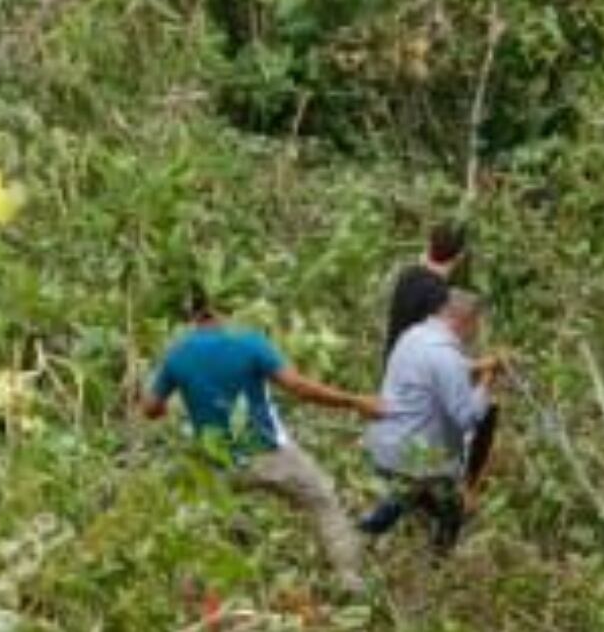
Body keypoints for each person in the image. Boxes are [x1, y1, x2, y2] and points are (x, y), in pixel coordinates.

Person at [141, 286, 382, 596]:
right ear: (220, 308)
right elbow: (298, 387)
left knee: (205, 522)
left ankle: (199, 592)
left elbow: (150, 408)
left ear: (190, 316)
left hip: (219, 463)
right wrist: (354, 401)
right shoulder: (249, 342)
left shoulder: (177, 354)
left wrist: (164, 404)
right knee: (323, 500)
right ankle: (350, 582)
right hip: (269, 453)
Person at [360, 290, 505, 552]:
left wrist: (476, 365)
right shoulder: (446, 356)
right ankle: (439, 563)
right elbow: (467, 417)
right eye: (477, 324)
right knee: (453, 509)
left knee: (403, 497)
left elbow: (439, 371)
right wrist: (485, 382)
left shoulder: (413, 336)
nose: (476, 332)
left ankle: (361, 535)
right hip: (415, 460)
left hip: (385, 447)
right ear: (466, 321)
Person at [384, 222, 468, 363]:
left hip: (393, 363)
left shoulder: (407, 277)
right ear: (460, 257)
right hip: (417, 368)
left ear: (429, 246)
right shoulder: (440, 295)